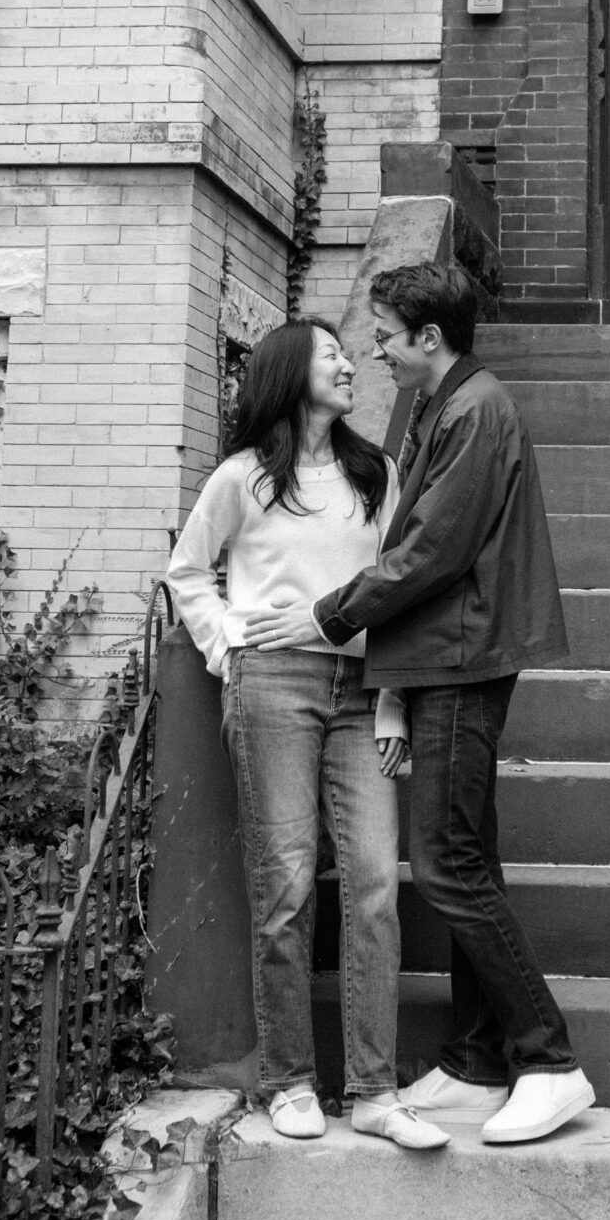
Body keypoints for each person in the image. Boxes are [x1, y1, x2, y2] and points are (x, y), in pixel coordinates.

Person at [306, 259, 595, 1147]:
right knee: (469, 856)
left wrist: (333, 612)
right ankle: (477, 1058)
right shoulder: (450, 403)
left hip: (463, 657)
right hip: (444, 655)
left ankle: (549, 1062)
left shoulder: (475, 409)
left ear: (430, 338)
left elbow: (432, 547)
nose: (378, 353)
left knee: (444, 865)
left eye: (387, 337)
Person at [165, 318, 446, 1153]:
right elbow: (187, 572)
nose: (348, 363)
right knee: (284, 886)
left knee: (372, 885)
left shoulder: (377, 475)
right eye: (330, 353)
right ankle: (288, 1080)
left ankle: (372, 1089)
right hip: (273, 687)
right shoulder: (242, 479)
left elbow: (400, 595)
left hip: (362, 690)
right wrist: (226, 646)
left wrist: (395, 702)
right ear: (290, 373)